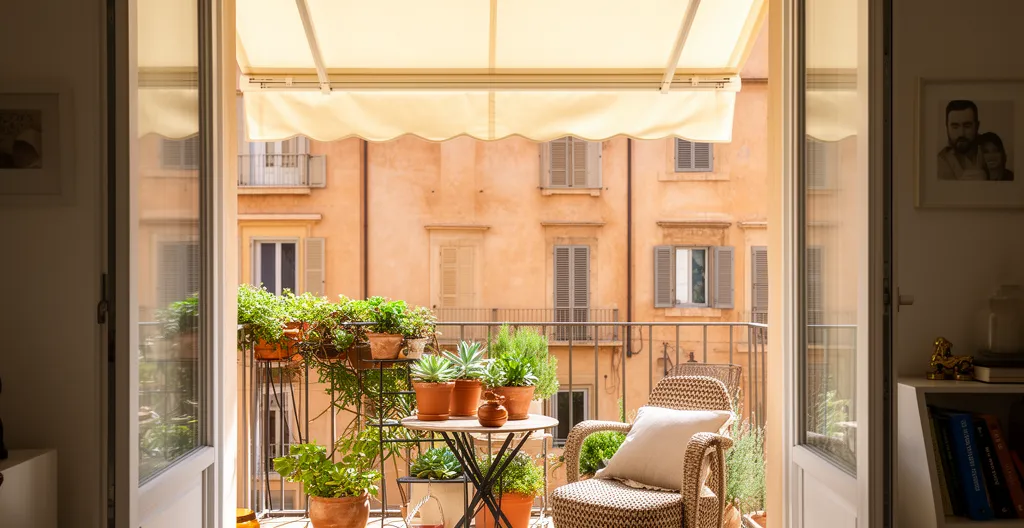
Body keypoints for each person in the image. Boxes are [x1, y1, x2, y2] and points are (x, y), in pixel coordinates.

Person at [937, 100, 988, 180]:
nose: (961, 133)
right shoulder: (939, 162)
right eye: (955, 127)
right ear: (947, 127)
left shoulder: (991, 150)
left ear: (977, 126)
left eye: (967, 126)